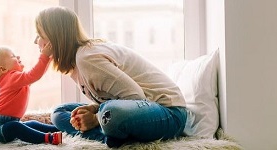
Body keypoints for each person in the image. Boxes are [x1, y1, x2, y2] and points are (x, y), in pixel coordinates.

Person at [34, 6, 188, 148]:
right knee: (60, 112)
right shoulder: (76, 63)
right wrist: (94, 109)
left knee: (111, 113)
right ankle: (112, 136)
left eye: (40, 35)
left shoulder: (87, 58)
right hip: (133, 110)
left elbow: (136, 97)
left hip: (169, 113)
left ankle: (109, 133)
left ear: (55, 39)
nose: (36, 41)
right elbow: (115, 100)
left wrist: (95, 118)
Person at [0, 44, 62, 145]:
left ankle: (58, 128)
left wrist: (49, 58)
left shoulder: (15, 80)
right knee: (16, 127)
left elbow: (37, 75)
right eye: (13, 56)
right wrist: (44, 56)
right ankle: (48, 138)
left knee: (31, 124)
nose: (18, 56)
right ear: (3, 69)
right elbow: (34, 74)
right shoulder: (11, 78)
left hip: (6, 123)